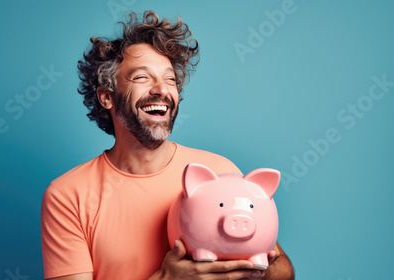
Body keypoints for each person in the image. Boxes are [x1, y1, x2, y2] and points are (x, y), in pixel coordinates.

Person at [41, 10, 295, 280]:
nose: (161, 89)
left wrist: (259, 270)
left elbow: (281, 269)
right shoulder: (68, 196)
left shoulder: (218, 170)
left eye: (170, 79)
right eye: (141, 77)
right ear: (106, 96)